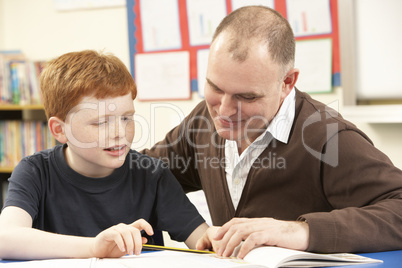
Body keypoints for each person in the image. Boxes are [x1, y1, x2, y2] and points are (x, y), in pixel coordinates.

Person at [142, 6, 402, 259]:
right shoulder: (203, 121)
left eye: (247, 96)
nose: (225, 110)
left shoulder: (327, 138)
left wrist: (299, 231)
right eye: (215, 88)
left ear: (287, 83)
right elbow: (139, 176)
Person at [0, 50, 209, 260]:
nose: (120, 132)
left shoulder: (152, 174)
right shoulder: (35, 171)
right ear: (60, 130)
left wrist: (222, 238)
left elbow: (204, 241)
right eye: (101, 122)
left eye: (127, 118)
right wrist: (94, 248)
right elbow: (5, 239)